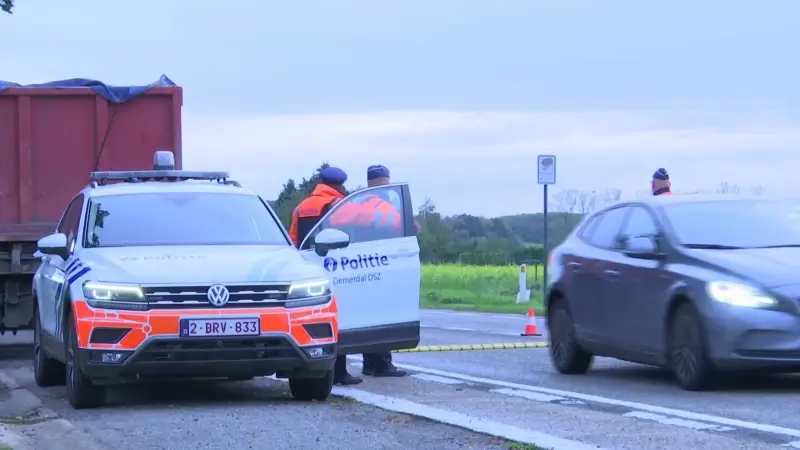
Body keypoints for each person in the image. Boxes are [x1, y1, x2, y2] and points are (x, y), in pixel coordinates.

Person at [288, 167, 362, 386]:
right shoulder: (338, 206)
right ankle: (339, 371)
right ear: (338, 186)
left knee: (312, 319)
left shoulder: (301, 207)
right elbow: (350, 236)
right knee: (339, 316)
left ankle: (313, 366)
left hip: (308, 268)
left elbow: (293, 240)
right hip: (335, 266)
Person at [358, 165, 408, 378]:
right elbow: (401, 227)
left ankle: (369, 363)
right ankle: (382, 364)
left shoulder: (358, 202)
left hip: (364, 266)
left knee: (369, 315)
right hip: (381, 266)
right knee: (381, 315)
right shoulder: (383, 206)